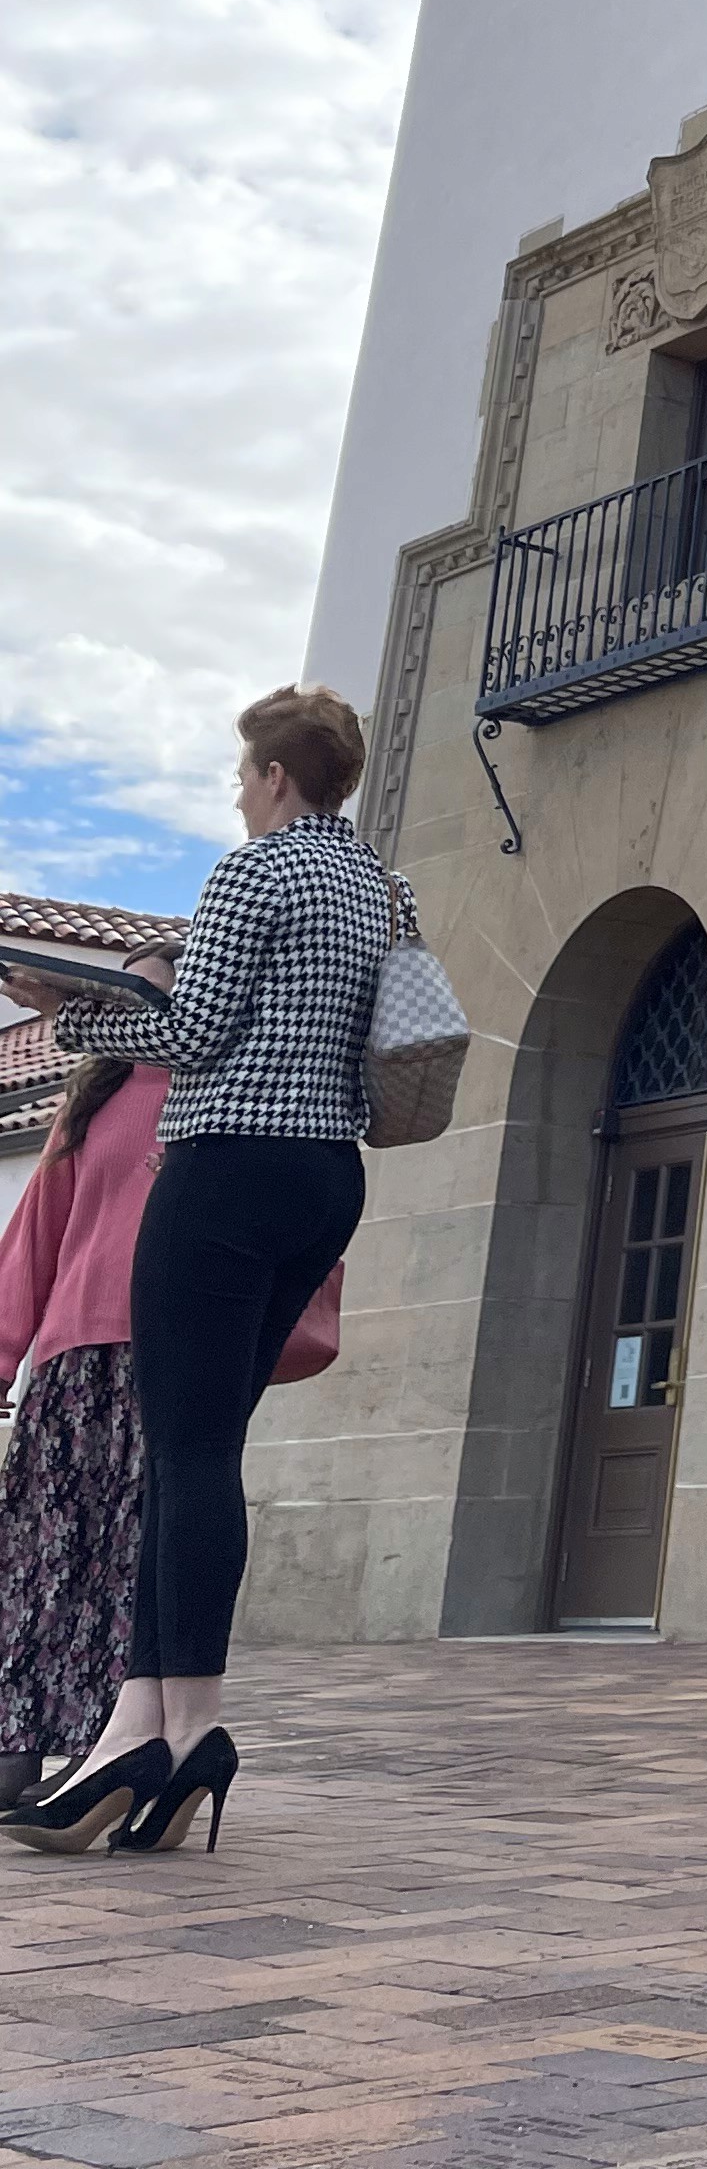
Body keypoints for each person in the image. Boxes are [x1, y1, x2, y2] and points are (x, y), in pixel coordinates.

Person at [0, 686, 389, 1860]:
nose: (238, 792)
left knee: (188, 1453)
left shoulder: (253, 874)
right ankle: (144, 1730)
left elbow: (191, 1029)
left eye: (242, 775)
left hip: (224, 1174)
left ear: (276, 775)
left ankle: (186, 1725)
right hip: (329, 1176)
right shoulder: (383, 885)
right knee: (198, 1450)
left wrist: (72, 1015)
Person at [0, 1056, 170, 1812]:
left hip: (174, 1360)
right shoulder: (93, 1103)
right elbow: (33, 1239)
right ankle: (15, 1743)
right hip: (71, 1363)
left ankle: (110, 1750)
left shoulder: (223, 1090)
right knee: (38, 1559)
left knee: (135, 1562)